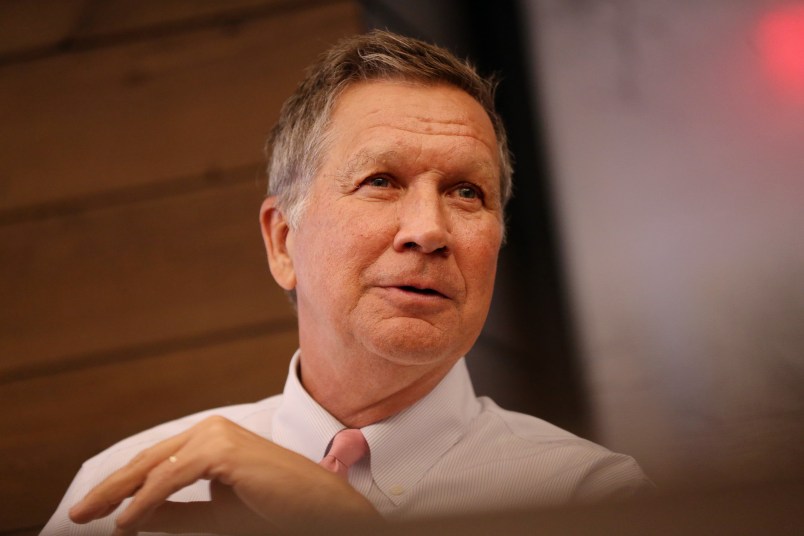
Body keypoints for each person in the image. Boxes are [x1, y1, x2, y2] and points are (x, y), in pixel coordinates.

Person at [43, 30, 651, 535]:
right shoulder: (124, 491)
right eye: (381, 180)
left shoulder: (593, 499)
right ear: (283, 241)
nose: (429, 230)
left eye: (467, 192)